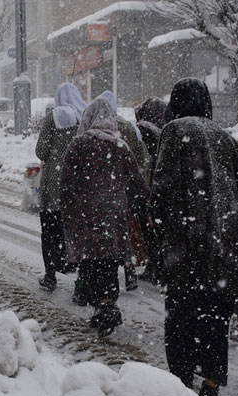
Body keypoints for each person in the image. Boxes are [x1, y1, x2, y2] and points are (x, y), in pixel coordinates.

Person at [150, 78, 238, 396]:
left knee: (181, 320)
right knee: (213, 321)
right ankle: (211, 385)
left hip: (186, 249)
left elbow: (162, 190)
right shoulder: (223, 137)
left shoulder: (173, 131)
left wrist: (161, 237)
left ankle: (183, 386)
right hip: (224, 249)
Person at [61, 97, 149, 337]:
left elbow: (67, 184)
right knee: (109, 264)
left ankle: (100, 305)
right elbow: (137, 184)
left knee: (90, 263)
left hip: (85, 218)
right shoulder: (121, 147)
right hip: (114, 218)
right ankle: (108, 302)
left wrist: (69, 213)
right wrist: (137, 207)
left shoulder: (78, 144)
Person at [95, 90, 148, 291]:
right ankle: (129, 270)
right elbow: (142, 159)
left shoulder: (95, 129)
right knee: (126, 231)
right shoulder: (128, 127)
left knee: (105, 233)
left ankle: (105, 279)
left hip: (103, 190)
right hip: (125, 189)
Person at [35, 83, 87, 291]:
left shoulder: (52, 118)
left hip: (53, 186)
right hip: (75, 186)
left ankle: (50, 275)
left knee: (49, 232)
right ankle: (80, 280)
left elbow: (41, 151)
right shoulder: (82, 117)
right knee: (76, 233)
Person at [134, 97, 168, 285]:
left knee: (149, 229)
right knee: (158, 230)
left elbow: (142, 157)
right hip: (161, 184)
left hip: (148, 184)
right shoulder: (165, 130)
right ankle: (159, 268)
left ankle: (154, 268)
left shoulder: (145, 130)